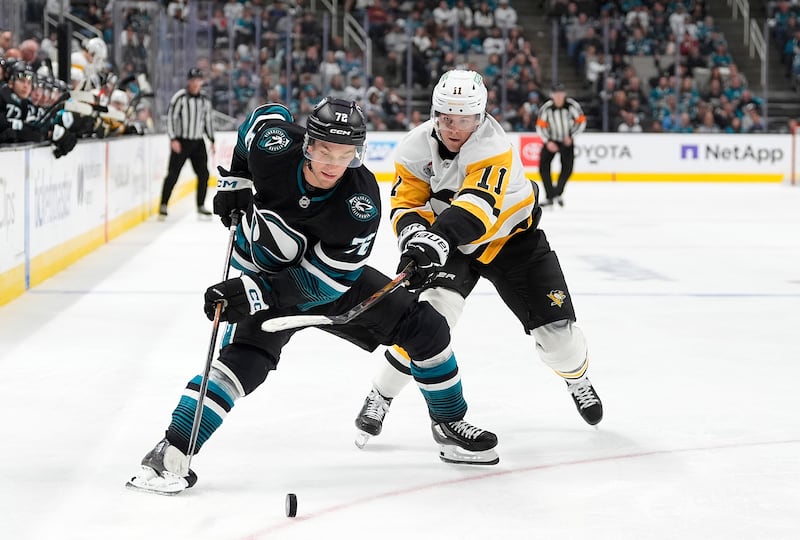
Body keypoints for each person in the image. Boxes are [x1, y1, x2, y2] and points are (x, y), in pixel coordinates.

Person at [127, 98, 499, 496]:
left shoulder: (360, 202)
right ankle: (172, 451)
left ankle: (448, 421)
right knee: (243, 362)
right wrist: (237, 179)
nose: (332, 163)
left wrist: (254, 295)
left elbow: (323, 286)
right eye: (324, 150)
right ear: (307, 143)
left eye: (344, 153)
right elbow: (262, 115)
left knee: (426, 329)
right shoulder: (274, 144)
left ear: (358, 152)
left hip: (325, 281)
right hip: (261, 267)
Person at [353, 70, 603, 448]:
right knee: (426, 323)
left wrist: (432, 241)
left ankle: (576, 377)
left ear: (481, 117)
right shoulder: (414, 148)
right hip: (452, 245)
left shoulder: (493, 147)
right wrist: (413, 241)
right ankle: (381, 395)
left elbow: (476, 210)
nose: (455, 128)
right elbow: (407, 204)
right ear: (436, 114)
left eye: (465, 119)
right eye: (448, 118)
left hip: (512, 240)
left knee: (560, 343)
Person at [159, 68, 216, 219]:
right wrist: (173, 139)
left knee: (204, 174)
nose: (196, 83)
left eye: (198, 80)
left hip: (198, 142)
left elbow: (208, 121)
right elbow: (171, 118)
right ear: (188, 81)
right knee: (173, 174)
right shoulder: (179, 98)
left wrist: (212, 139)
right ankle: (163, 204)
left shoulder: (205, 100)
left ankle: (200, 205)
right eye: (193, 80)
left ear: (202, 82)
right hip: (181, 141)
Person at [536, 83, 585, 207]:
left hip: (567, 140)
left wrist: (572, 135)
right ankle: (550, 196)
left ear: (564, 94)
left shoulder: (572, 106)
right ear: (552, 95)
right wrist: (547, 141)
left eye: (560, 93)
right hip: (552, 140)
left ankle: (557, 192)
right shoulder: (546, 108)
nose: (558, 96)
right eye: (556, 94)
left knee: (567, 168)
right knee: (543, 167)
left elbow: (581, 121)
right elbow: (540, 126)